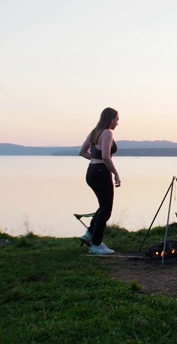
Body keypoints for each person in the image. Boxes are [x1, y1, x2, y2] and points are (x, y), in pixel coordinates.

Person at [79, 107, 122, 255]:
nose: (117, 123)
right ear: (110, 119)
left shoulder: (94, 132)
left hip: (91, 172)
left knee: (102, 206)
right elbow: (105, 156)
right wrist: (116, 173)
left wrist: (95, 159)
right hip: (101, 173)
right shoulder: (107, 133)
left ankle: (90, 234)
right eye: (116, 119)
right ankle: (96, 245)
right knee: (106, 209)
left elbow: (82, 152)